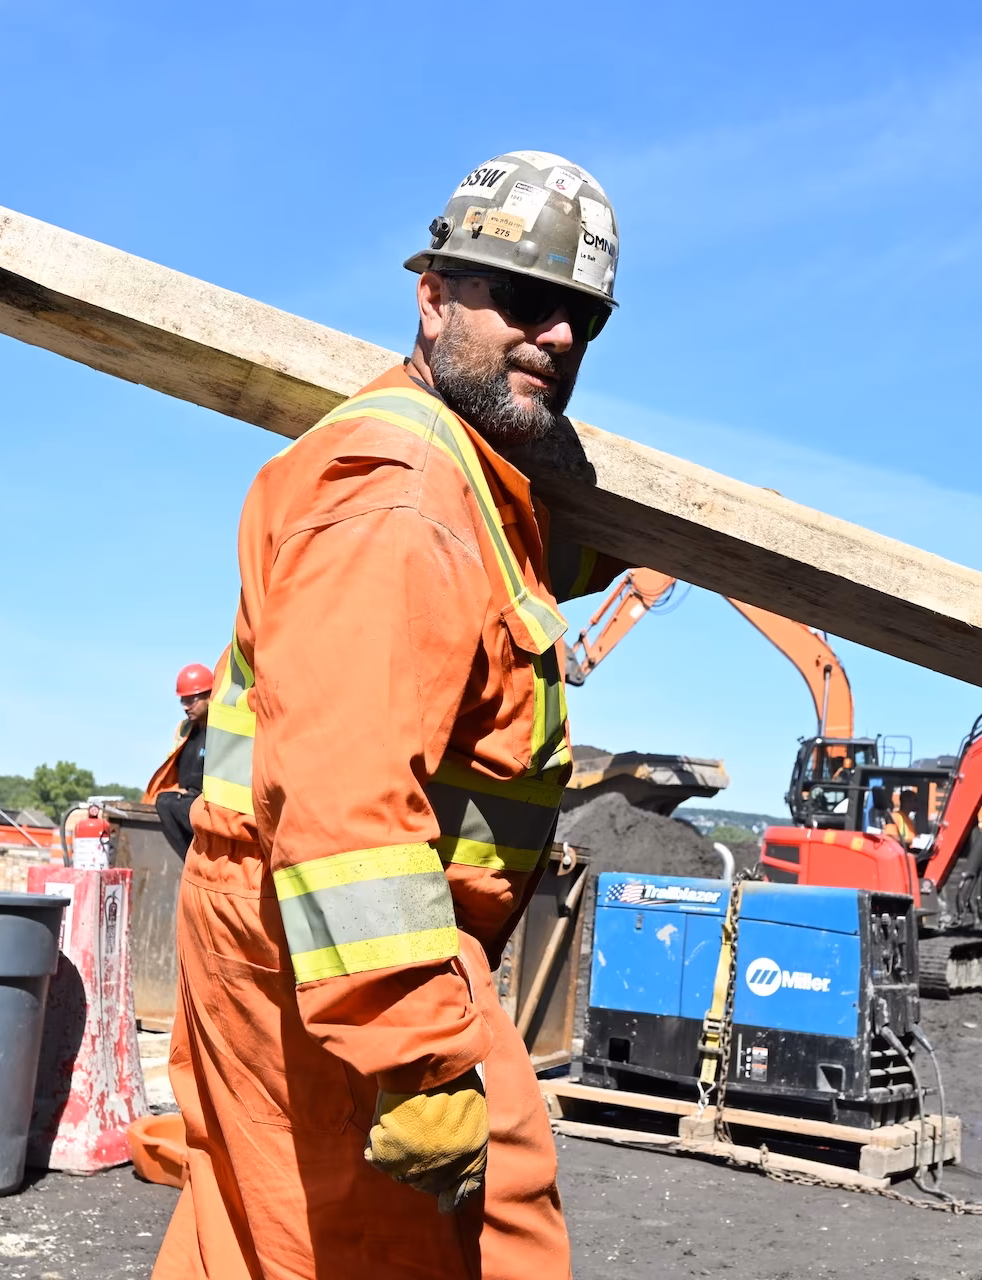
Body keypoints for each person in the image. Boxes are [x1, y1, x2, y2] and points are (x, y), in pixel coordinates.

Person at [155, 151, 623, 1280]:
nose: (556, 336)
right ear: (434, 295)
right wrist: (416, 1054)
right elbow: (346, 799)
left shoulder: (460, 472)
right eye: (523, 297)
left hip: (303, 947)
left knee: (262, 1236)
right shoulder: (404, 496)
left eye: (583, 320)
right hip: (340, 973)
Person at [144, 664, 213, 858]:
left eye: (192, 699)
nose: (185, 706)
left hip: (208, 803)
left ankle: (200, 857)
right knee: (165, 801)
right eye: (183, 699)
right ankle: (191, 859)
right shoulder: (184, 731)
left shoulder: (221, 731)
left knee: (167, 803)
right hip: (185, 801)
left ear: (210, 696)